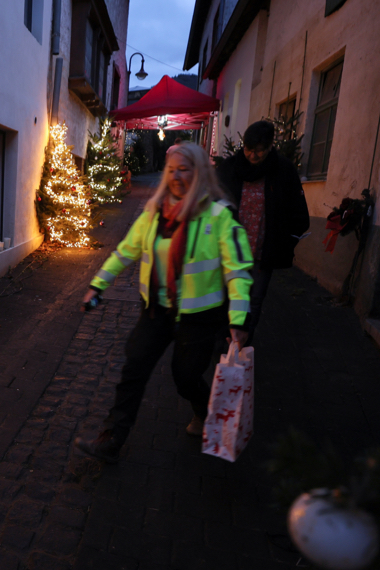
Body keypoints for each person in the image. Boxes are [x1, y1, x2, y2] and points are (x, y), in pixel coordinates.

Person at [75, 142, 253, 463]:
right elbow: (126, 251)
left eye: (184, 169)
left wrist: (238, 320)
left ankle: (203, 409)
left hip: (199, 317)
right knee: (134, 368)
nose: (177, 176)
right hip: (156, 310)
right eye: (171, 170)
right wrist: (97, 285)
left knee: (185, 378)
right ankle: (111, 439)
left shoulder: (219, 216)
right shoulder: (154, 212)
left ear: (200, 173)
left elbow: (238, 272)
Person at [216, 120, 309, 344]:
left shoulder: (283, 170)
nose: (253, 155)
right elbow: (212, 201)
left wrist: (285, 242)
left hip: (262, 252)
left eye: (259, 150)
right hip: (230, 250)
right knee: (226, 297)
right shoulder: (229, 168)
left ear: (269, 147)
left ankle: (242, 344)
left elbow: (298, 212)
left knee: (254, 299)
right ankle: (223, 341)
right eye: (249, 149)